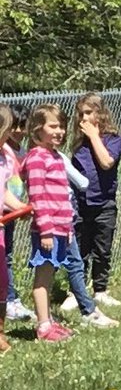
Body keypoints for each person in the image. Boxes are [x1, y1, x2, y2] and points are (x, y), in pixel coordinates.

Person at [22, 104, 76, 342]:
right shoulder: (36, 158)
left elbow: (62, 196)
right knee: (42, 277)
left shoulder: (54, 156)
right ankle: (43, 326)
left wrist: (68, 228)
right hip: (48, 229)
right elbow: (38, 198)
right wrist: (45, 230)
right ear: (37, 129)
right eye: (53, 126)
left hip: (61, 228)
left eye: (62, 126)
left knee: (50, 274)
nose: (59, 131)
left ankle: (49, 323)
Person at [68, 92, 121, 307]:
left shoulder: (114, 139)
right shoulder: (78, 145)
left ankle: (100, 290)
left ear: (100, 114)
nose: (83, 118)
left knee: (102, 249)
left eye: (88, 113)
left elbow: (106, 162)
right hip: (81, 205)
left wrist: (94, 136)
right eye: (80, 113)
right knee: (80, 249)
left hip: (104, 204)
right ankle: (76, 292)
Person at [0, 105, 29, 353]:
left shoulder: (4, 157)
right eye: (8, 128)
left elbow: (4, 191)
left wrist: (21, 207)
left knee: (1, 278)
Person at [3, 104, 33, 323]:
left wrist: (20, 207)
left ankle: (7, 310)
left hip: (4, 222)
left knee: (4, 267)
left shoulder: (8, 154)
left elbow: (3, 190)